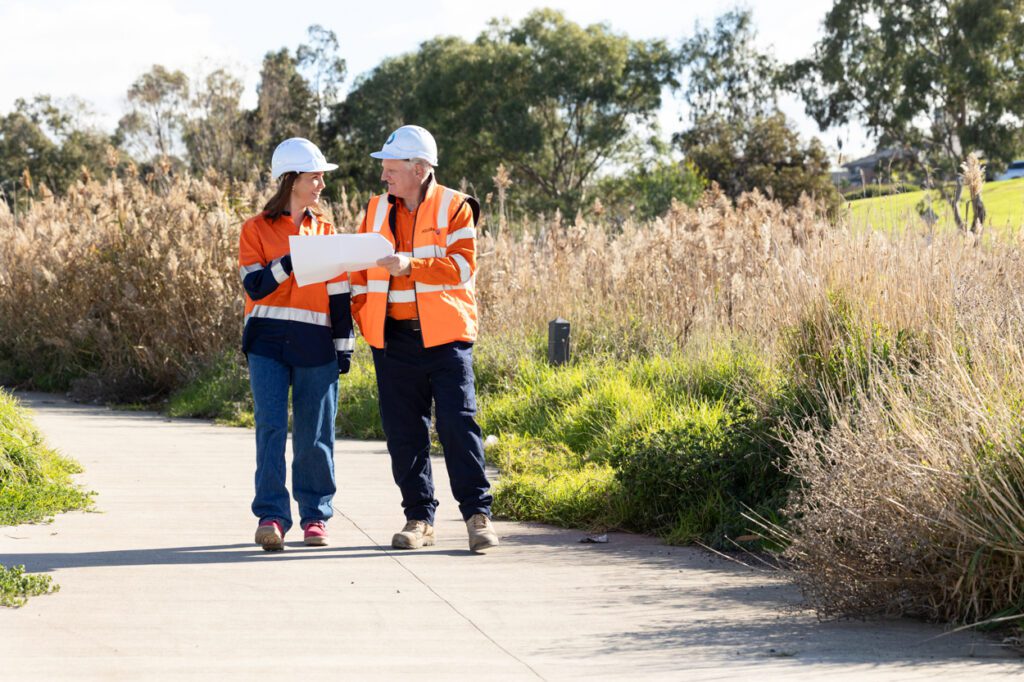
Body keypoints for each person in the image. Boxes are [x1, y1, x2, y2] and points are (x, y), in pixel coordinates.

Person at [349, 125, 499, 552]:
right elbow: (358, 273)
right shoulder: (375, 210)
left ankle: (477, 516)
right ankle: (419, 520)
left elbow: (463, 267)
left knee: (458, 425)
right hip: (391, 339)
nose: (383, 176)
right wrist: (364, 317)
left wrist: (410, 264)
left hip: (446, 338)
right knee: (403, 434)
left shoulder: (456, 208)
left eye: (391, 168)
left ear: (418, 169)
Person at [238, 138, 354, 551]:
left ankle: (315, 517)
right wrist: (291, 260)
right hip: (267, 344)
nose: (321, 183)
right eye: (315, 176)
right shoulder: (254, 229)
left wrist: (344, 347)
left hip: (316, 345)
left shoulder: (327, 232)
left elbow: (340, 295)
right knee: (270, 428)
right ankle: (271, 516)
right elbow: (255, 285)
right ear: (291, 180)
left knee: (315, 433)